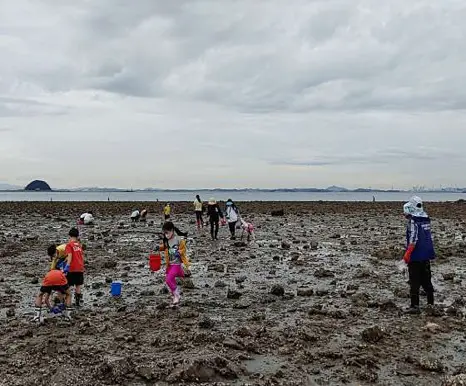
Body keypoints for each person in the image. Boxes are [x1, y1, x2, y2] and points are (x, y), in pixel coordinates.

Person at [400, 196, 435, 314]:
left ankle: (415, 306)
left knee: (414, 280)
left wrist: (407, 254)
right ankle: (431, 304)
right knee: (426, 280)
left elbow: (413, 239)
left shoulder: (413, 221)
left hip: (415, 255)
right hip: (426, 254)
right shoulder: (426, 218)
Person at [157, 222, 190, 306]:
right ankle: (174, 295)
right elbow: (164, 247)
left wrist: (179, 252)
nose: (166, 235)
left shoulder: (178, 239)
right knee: (171, 280)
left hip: (176, 264)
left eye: (167, 233)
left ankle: (177, 294)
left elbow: (184, 249)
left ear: (172, 231)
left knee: (168, 280)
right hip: (169, 264)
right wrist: (158, 247)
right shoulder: (166, 240)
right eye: (164, 233)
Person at [64, 228, 85, 307]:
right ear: (77, 236)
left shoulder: (69, 245)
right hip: (80, 267)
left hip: (72, 268)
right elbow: (81, 256)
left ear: (69, 235)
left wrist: (67, 265)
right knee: (78, 285)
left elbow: (70, 256)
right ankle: (77, 302)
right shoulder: (79, 245)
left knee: (68, 285)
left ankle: (67, 301)